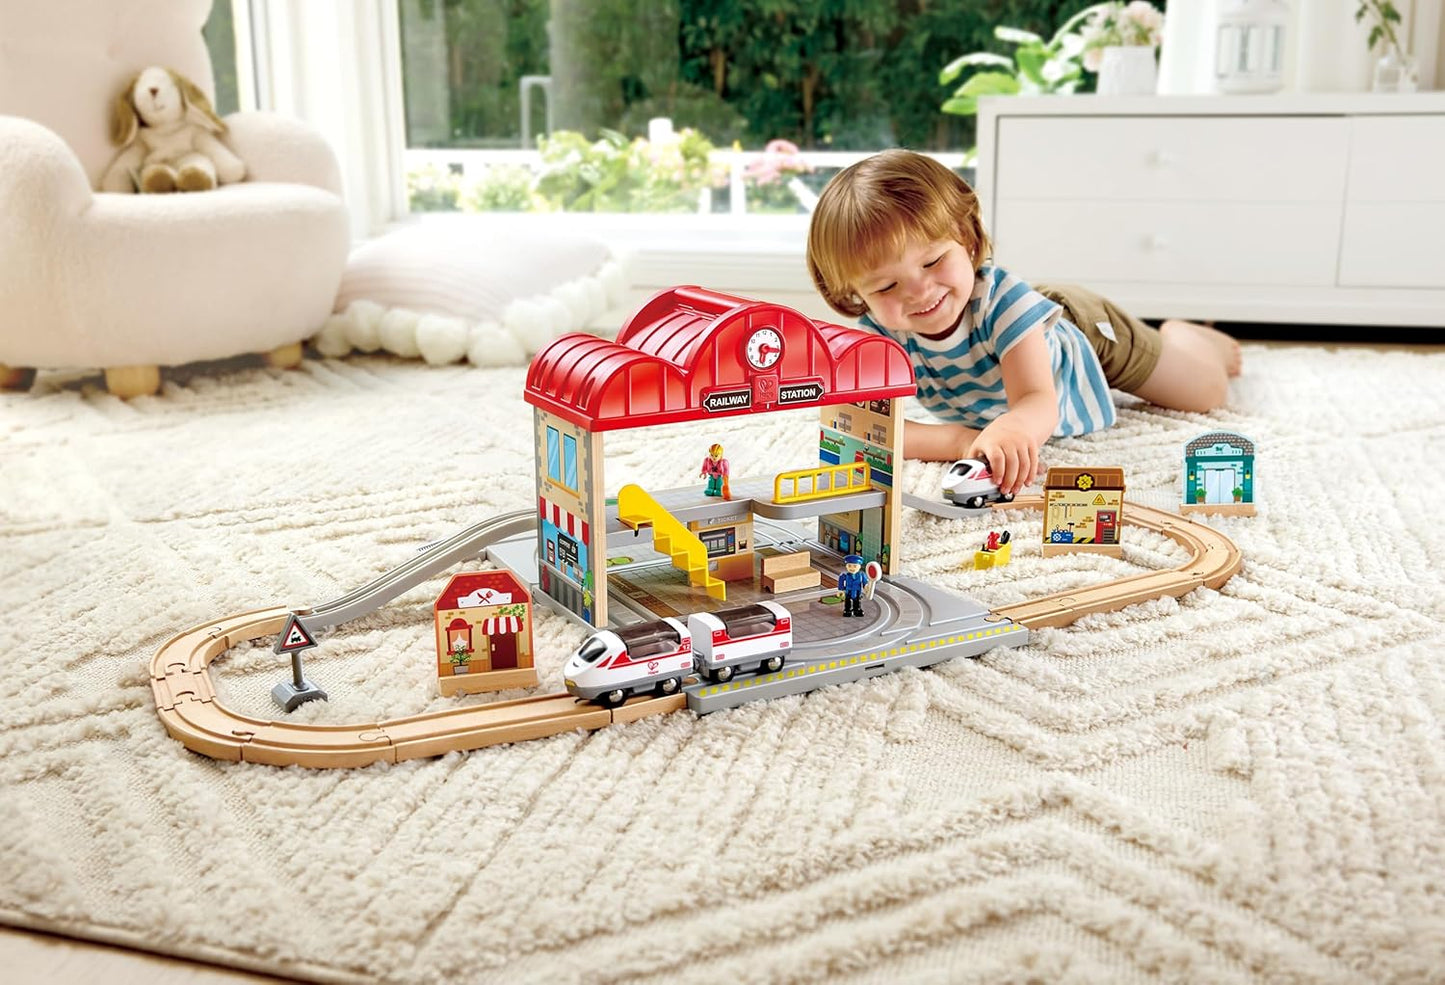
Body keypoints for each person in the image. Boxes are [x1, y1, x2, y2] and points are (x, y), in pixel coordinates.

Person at [806, 149, 1242, 498]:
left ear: (968, 239)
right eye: (885, 287)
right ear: (854, 295)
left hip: (1084, 335)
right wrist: (959, 442)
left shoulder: (1005, 305)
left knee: (1205, 392)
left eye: (934, 261)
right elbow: (866, 427)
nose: (918, 292)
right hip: (1028, 333)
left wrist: (1015, 426)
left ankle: (1187, 333)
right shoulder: (877, 337)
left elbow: (1036, 398)